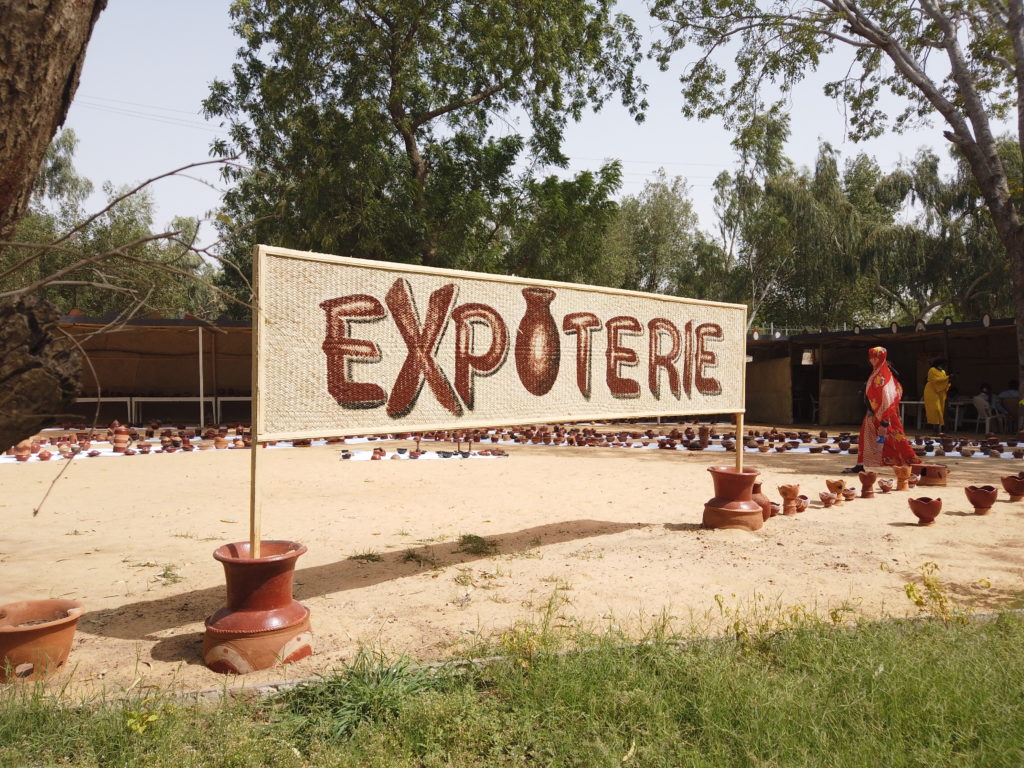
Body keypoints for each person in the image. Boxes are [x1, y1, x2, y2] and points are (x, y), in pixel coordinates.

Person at [845, 346, 917, 472]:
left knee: (896, 439)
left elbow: (888, 395)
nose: (870, 359)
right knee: (866, 439)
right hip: (874, 414)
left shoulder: (883, 374)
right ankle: (860, 465)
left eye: (872, 356)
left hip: (884, 415)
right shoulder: (877, 372)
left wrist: (883, 416)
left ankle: (912, 463)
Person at [923, 358, 951, 432]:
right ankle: (935, 430)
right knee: (935, 410)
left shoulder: (943, 372)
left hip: (940, 392)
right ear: (939, 363)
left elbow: (943, 381)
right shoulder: (932, 370)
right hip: (931, 391)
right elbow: (936, 380)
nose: (944, 365)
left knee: (940, 410)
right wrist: (948, 377)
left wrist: (949, 380)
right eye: (943, 364)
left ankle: (938, 430)